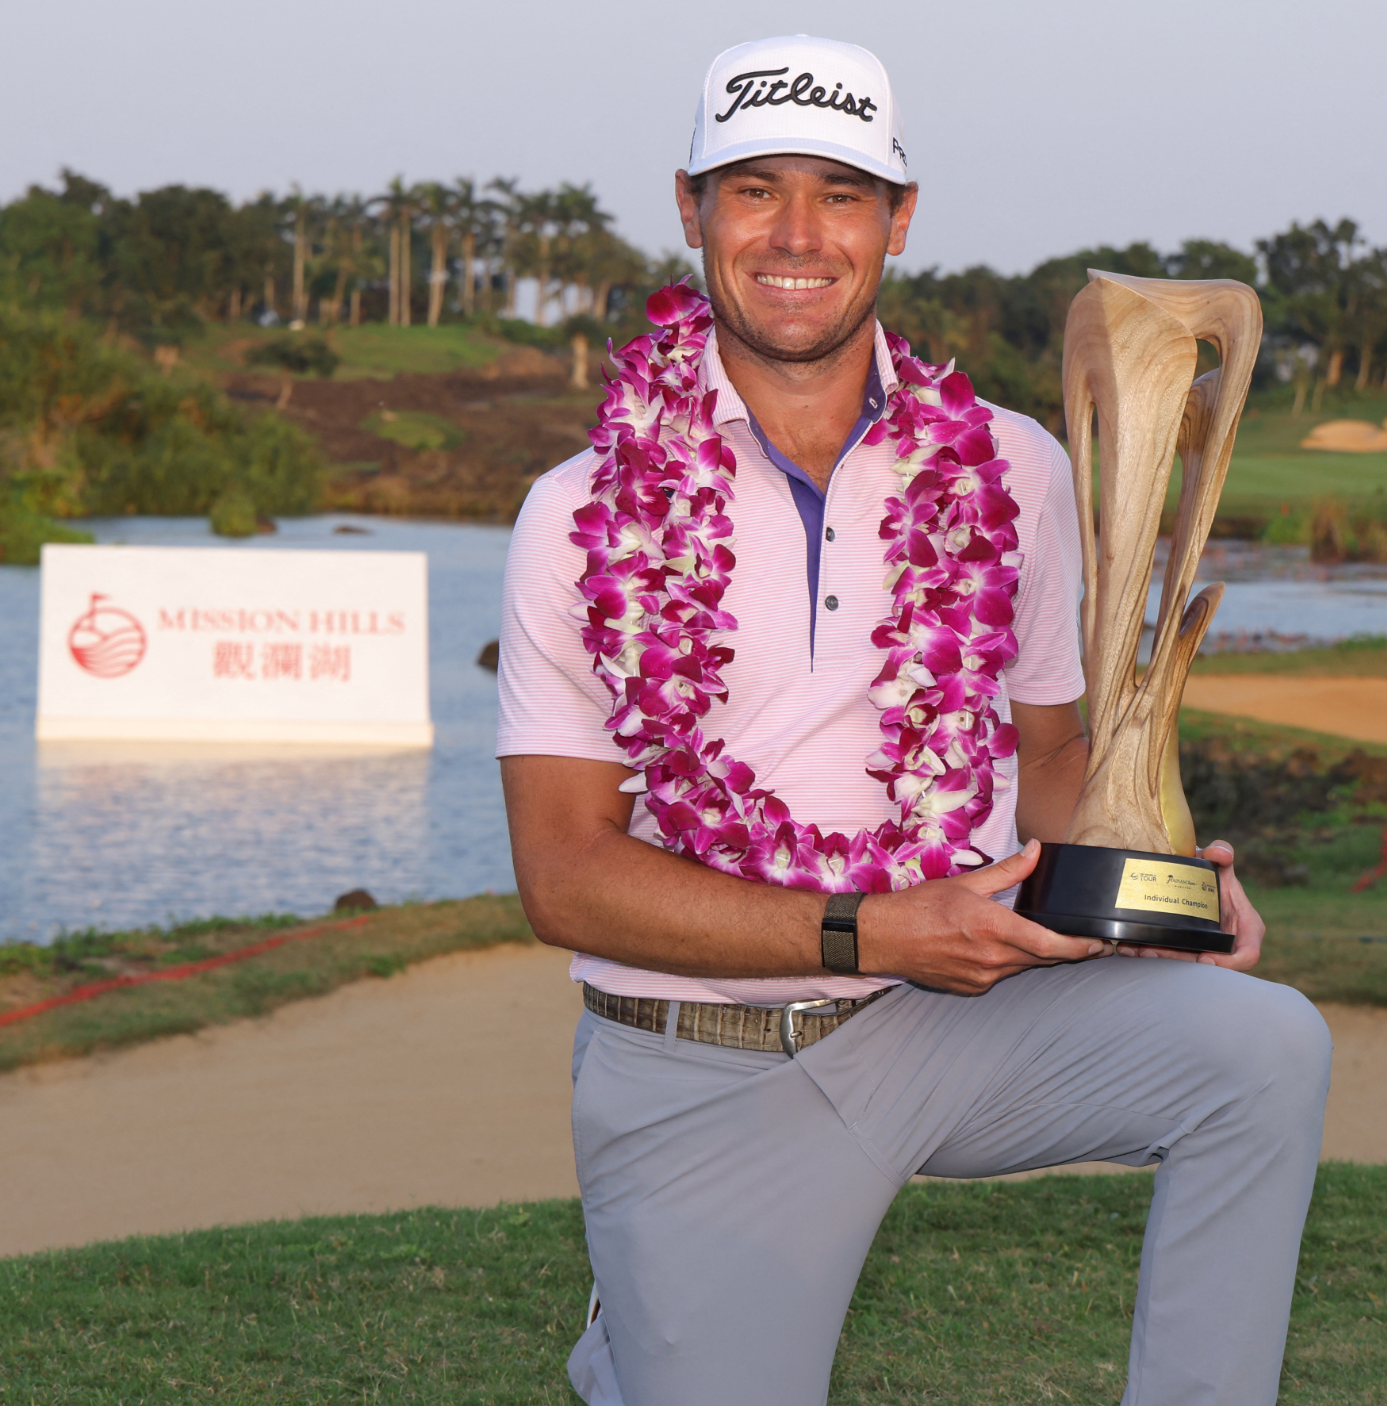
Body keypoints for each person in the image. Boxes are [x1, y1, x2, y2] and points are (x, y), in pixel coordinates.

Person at [495, 34, 1331, 1406]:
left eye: (841, 191)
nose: (798, 234)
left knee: (1264, 1048)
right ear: (690, 207)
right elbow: (565, 875)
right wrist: (879, 929)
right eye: (754, 188)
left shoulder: (1014, 467)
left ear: (901, 217)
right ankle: (651, 1328)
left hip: (951, 1025)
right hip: (704, 1062)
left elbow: (1053, 757)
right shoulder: (580, 510)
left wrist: (1163, 876)